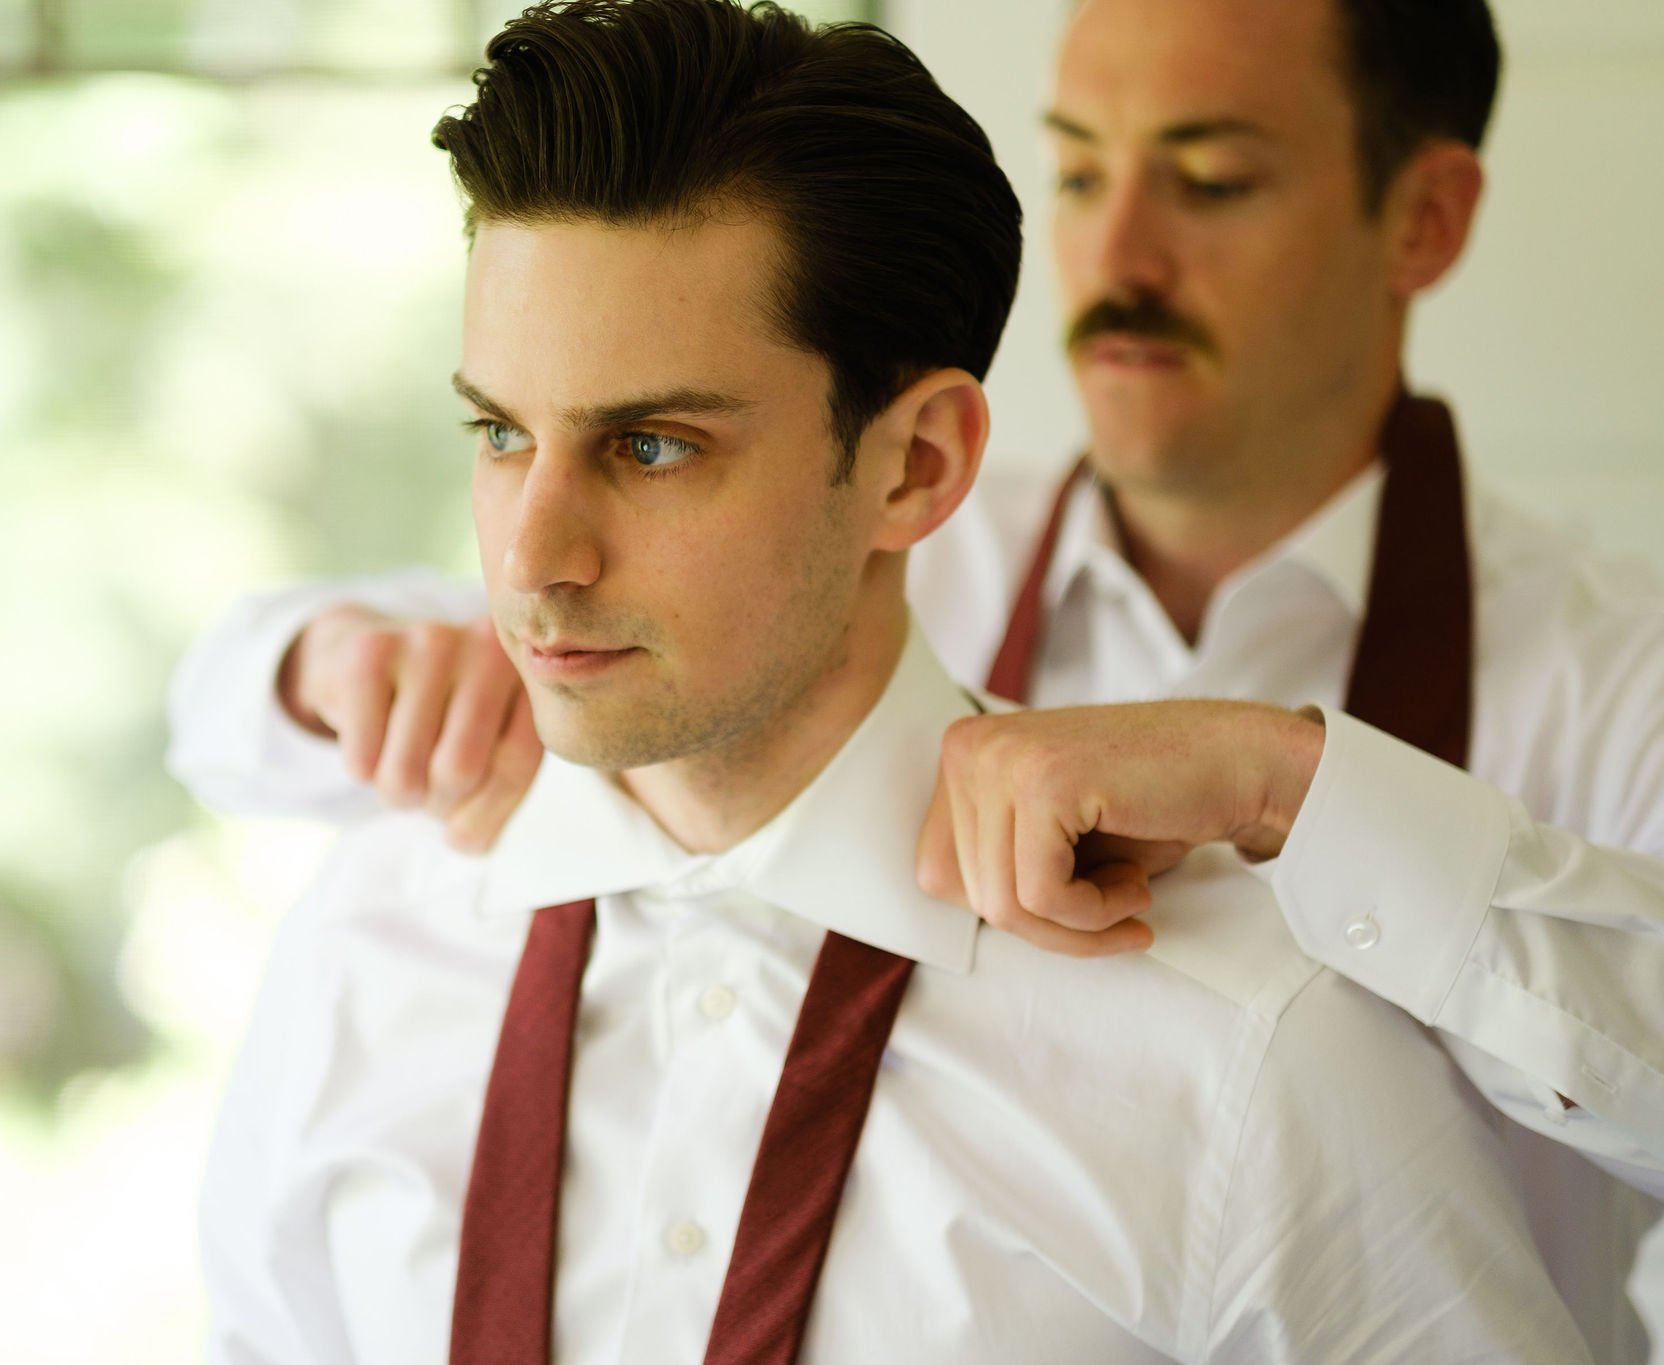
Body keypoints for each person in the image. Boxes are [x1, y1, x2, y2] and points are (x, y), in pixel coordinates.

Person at [178, 0, 1664, 1355]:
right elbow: (313, 674)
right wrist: (317, 663)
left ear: (918, 470)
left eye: (650, 446)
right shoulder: (363, 952)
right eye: (498, 433)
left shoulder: (1253, 1051)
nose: (536, 562)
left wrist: (1289, 782)